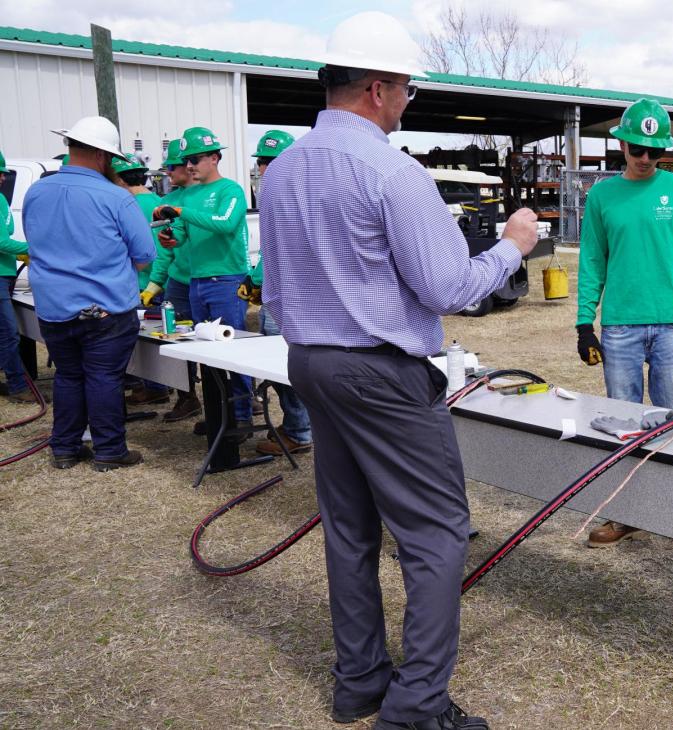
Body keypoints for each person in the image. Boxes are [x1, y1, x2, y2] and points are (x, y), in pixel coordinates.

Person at [259, 11, 538, 729]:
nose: (408, 103)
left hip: (311, 361)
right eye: (408, 90)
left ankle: (360, 682)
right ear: (378, 89)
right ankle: (416, 706)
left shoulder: (283, 169)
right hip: (381, 370)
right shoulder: (391, 169)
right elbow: (449, 288)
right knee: (437, 534)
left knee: (349, 528)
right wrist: (513, 245)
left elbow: (279, 287)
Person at [574, 98, 673, 548]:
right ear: (623, 146)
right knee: (625, 425)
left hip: (671, 327)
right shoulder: (602, 195)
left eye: (655, 151)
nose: (646, 158)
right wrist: (583, 325)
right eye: (638, 149)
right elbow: (592, 261)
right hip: (620, 330)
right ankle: (626, 512)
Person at [23, 116, 155, 471]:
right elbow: (145, 255)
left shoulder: (36, 191)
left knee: (68, 375)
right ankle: (109, 450)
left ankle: (64, 448)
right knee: (103, 377)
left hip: (52, 305)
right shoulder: (116, 197)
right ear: (102, 156)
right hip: (105, 307)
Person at [155, 125, 252, 426]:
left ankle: (241, 418)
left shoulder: (230, 190)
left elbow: (224, 223)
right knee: (207, 352)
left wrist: (181, 213)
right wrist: (171, 238)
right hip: (197, 281)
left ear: (214, 157)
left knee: (232, 350)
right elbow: (184, 236)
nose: (189, 166)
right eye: (186, 160)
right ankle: (217, 414)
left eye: (195, 159)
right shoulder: (191, 194)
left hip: (226, 280)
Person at [241, 129, 311, 456]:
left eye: (271, 160)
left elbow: (281, 250)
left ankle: (299, 430)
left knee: (286, 366)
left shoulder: (292, 198)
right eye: (262, 161)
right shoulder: (291, 195)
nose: (265, 168)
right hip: (281, 293)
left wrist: (257, 278)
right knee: (285, 366)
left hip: (289, 297)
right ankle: (298, 425)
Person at [140, 139, 202, 422]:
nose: (168, 172)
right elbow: (164, 251)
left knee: (227, 340)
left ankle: (242, 401)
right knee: (178, 342)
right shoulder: (169, 201)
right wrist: (154, 285)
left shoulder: (210, 194)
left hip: (213, 280)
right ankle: (187, 398)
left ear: (190, 165)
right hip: (179, 282)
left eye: (172, 166)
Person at [110, 152, 170, 406]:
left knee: (146, 341)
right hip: (162, 280)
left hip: (142, 283)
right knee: (160, 337)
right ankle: (160, 386)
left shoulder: (126, 205)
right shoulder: (158, 201)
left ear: (121, 181)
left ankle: (155, 387)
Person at [0, 148, 35, 403]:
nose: (3, 178)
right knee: (9, 331)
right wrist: (32, 249)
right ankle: (17, 384)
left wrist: (21, 254)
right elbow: (1, 241)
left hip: (7, 272)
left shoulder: (1, 200)